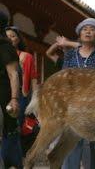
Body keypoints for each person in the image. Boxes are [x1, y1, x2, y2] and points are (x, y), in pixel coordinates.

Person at [48, 18, 95, 169]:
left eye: (92, 29)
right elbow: (64, 78)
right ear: (79, 34)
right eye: (85, 29)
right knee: (72, 149)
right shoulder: (70, 55)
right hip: (73, 107)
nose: (88, 31)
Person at [5, 26, 39, 156]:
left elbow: (34, 78)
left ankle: (18, 158)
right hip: (4, 96)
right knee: (7, 129)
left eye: (13, 36)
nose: (10, 38)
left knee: (18, 127)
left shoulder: (27, 57)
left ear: (18, 39)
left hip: (21, 97)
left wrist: (35, 99)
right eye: (7, 36)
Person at [0, 11, 21, 169]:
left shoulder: (5, 46)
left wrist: (14, 99)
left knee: (8, 134)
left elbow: (13, 74)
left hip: (3, 96)